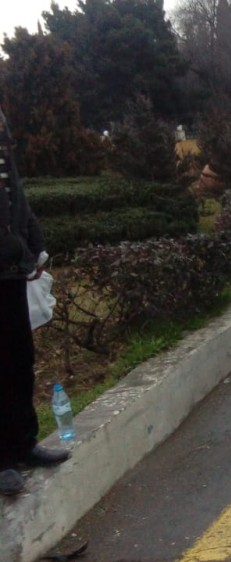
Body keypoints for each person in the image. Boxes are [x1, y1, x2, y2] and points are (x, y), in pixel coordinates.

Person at [0, 107, 71, 497]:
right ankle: (2, 458)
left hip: (10, 266)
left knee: (19, 358)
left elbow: (14, 188)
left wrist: (35, 245)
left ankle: (23, 443)